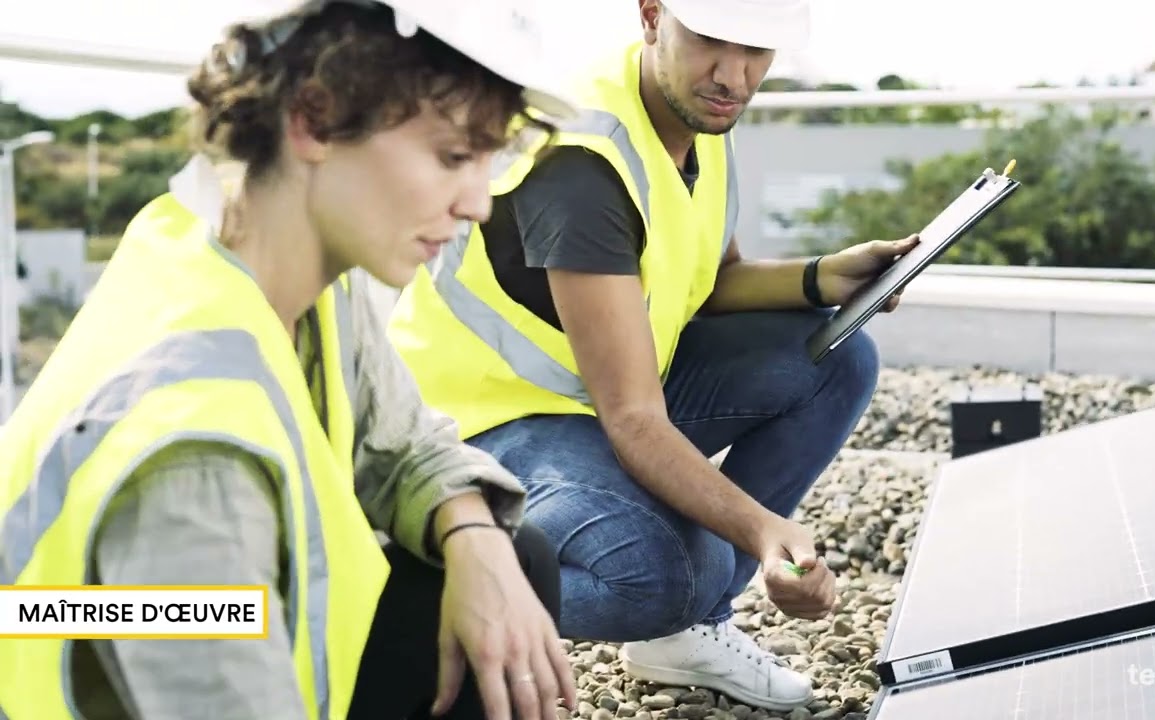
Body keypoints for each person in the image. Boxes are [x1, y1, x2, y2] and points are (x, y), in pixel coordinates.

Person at [0, 2, 582, 719]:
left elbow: (404, 446)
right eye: (454, 156)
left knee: (517, 555)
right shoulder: (193, 458)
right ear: (314, 117)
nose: (479, 203)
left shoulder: (264, 259)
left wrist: (473, 537)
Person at [385, 0, 921, 712]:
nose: (734, 75)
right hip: (483, 417)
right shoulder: (583, 165)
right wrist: (765, 533)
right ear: (651, 15)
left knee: (835, 355)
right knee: (671, 574)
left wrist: (827, 275)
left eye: (756, 51)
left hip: (593, 395)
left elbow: (709, 281)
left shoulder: (699, 116)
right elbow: (634, 418)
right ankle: (413, 607)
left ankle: (683, 635)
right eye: (710, 42)